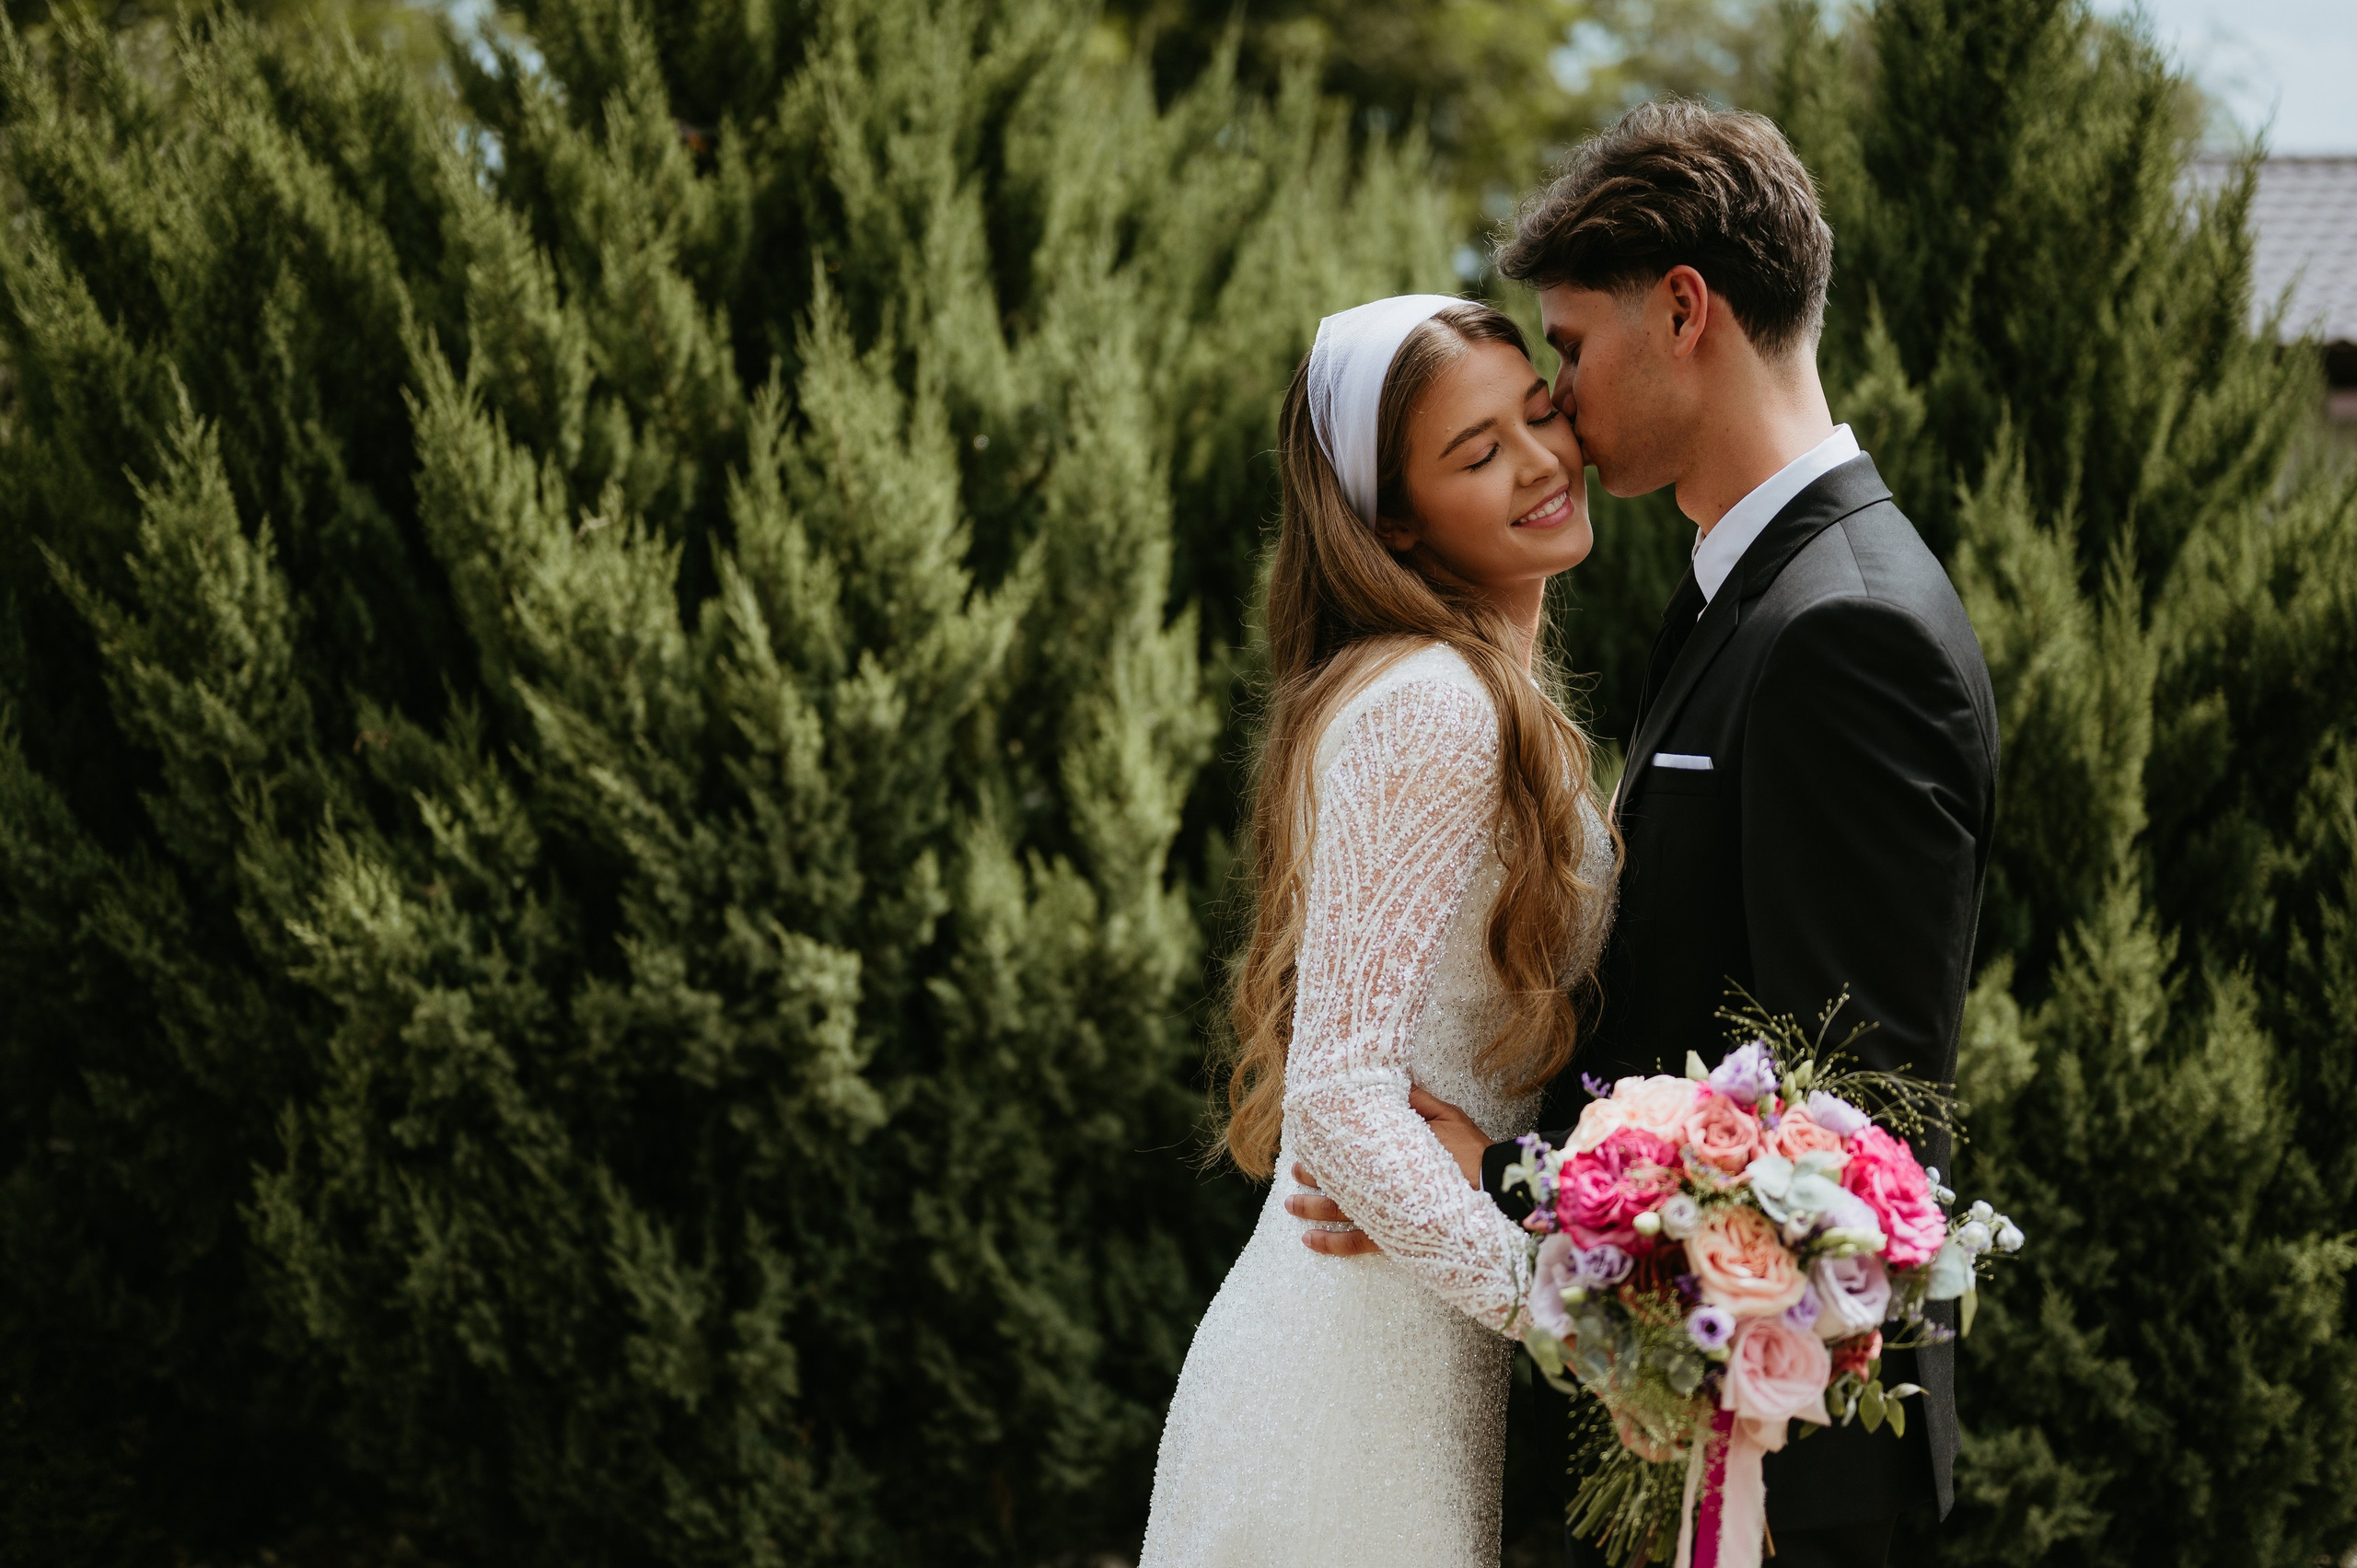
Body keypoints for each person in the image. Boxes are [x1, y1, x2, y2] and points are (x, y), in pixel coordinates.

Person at [1285, 101, 2000, 1568]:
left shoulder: (1842, 628)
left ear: (1684, 310)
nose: (1559, 398)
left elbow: (1842, 1118)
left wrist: (1492, 1185)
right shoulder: (1745, 593)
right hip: (1693, 1427)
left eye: (1568, 345)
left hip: (1782, 1470)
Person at [1136, 295, 1620, 1568]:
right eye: (1478, 452)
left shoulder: (1483, 695)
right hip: (1342, 1388)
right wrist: (1576, 1315)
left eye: (1537, 411)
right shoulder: (1431, 706)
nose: (1540, 461)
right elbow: (1346, 1095)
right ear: (1391, 519)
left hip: (1407, 1360)